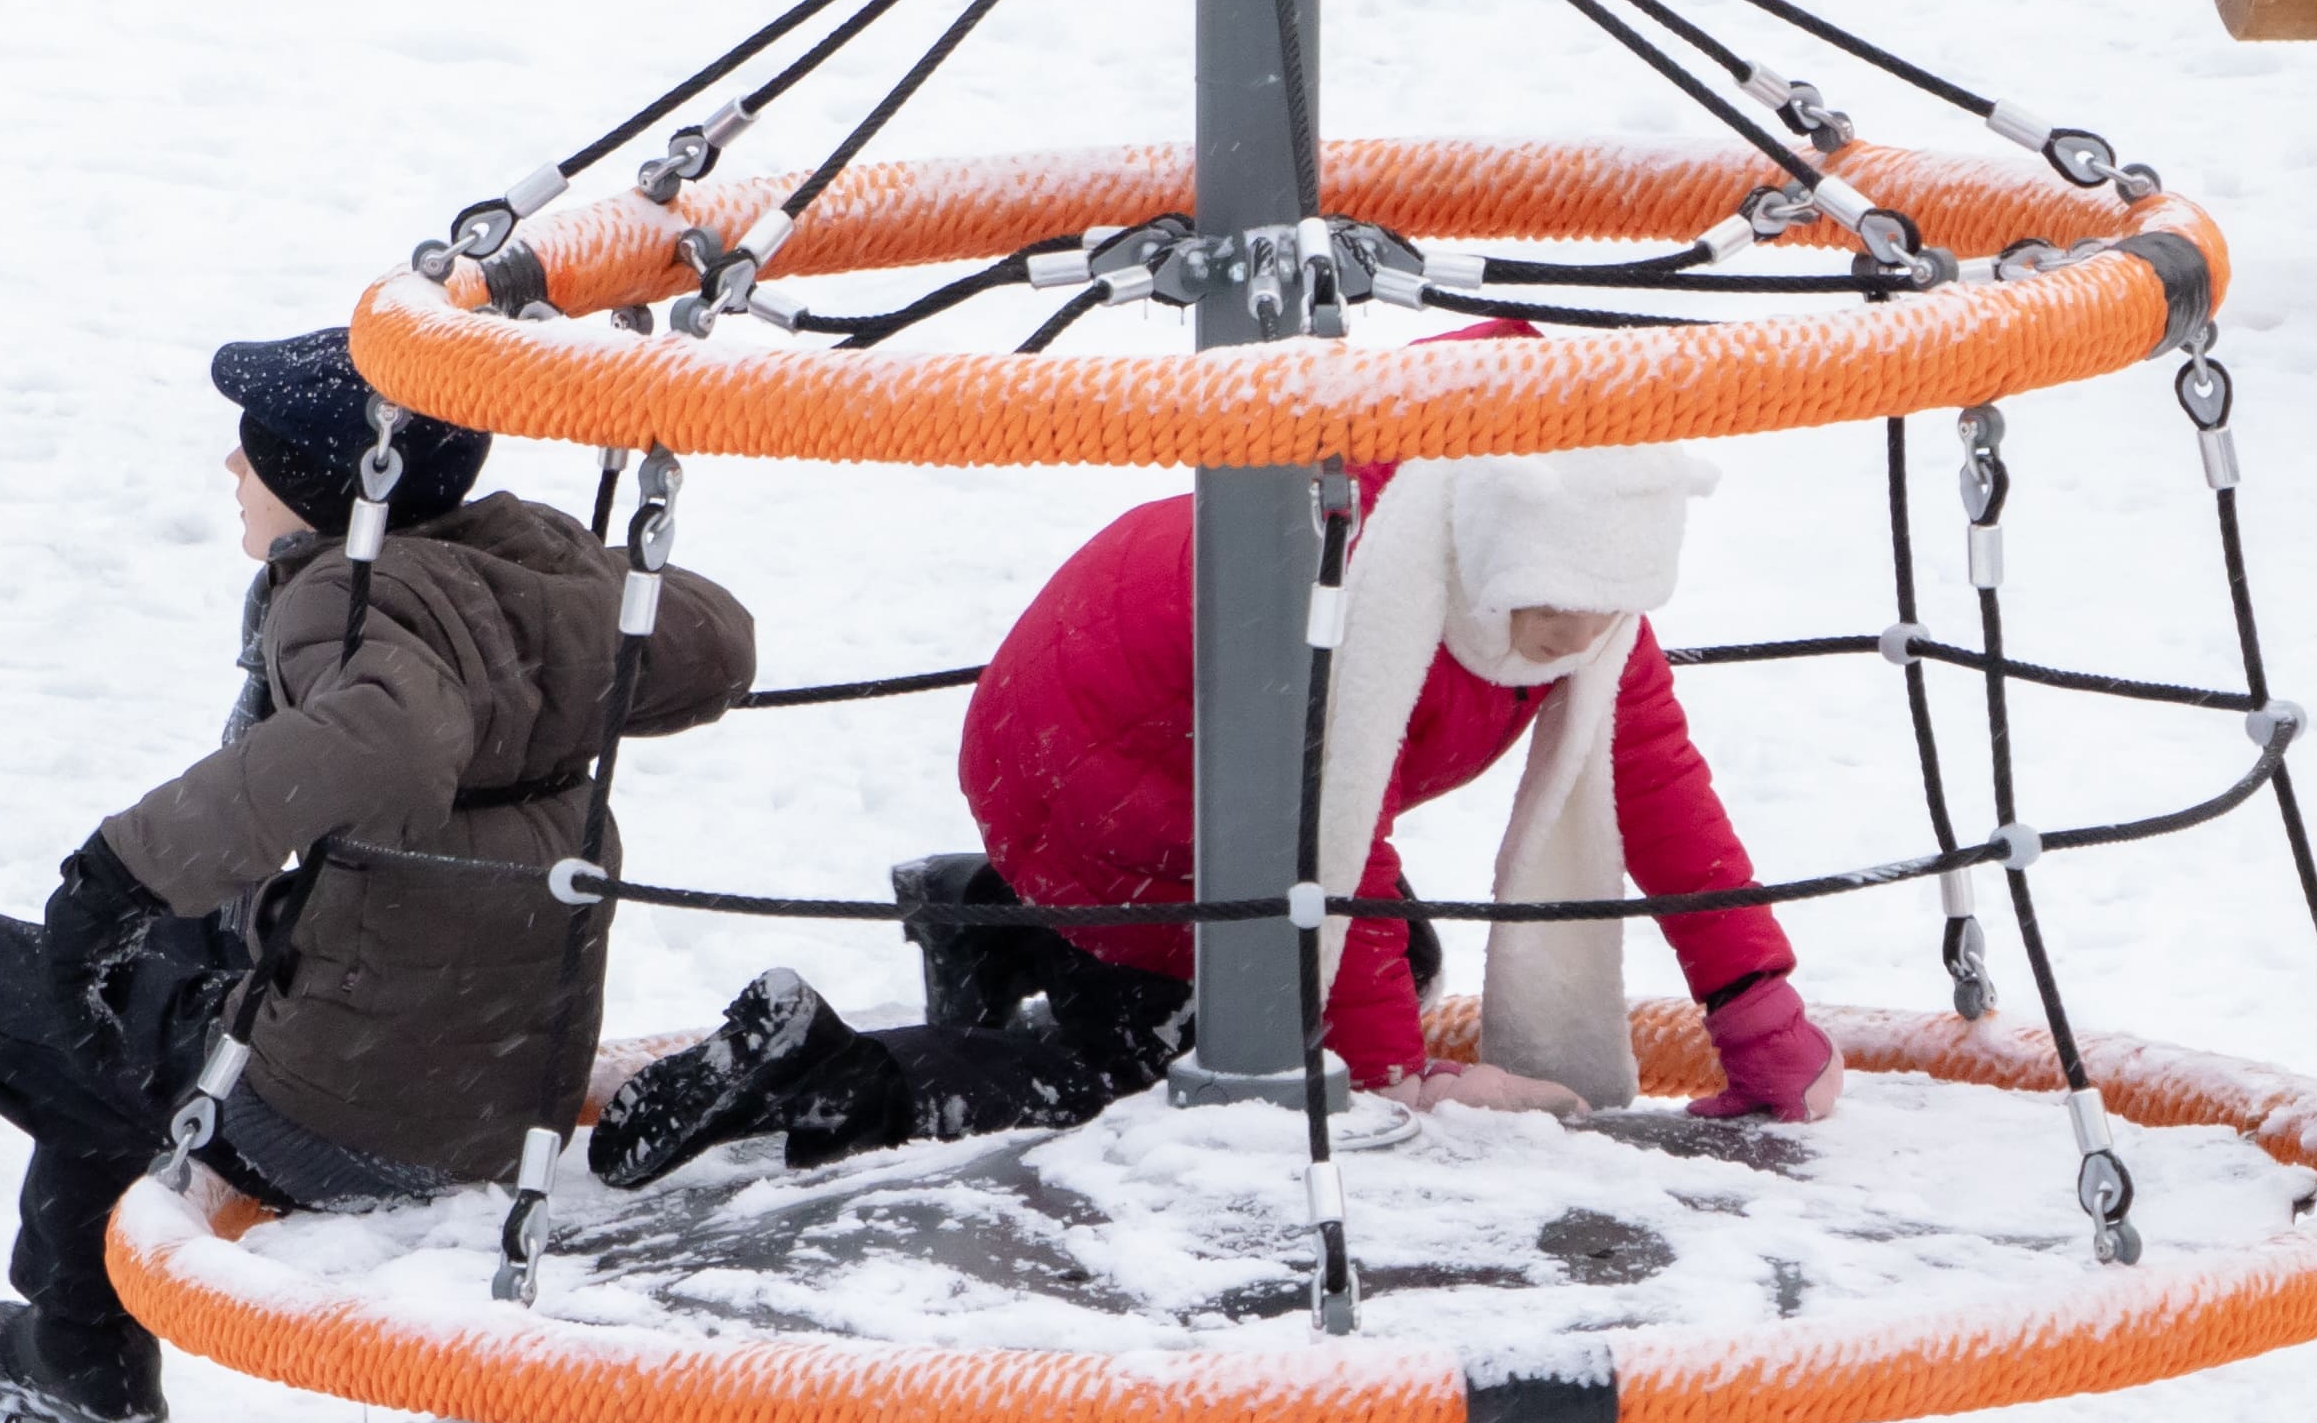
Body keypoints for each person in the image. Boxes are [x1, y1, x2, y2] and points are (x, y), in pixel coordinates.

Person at [0, 329, 764, 1423]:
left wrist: (121, 866)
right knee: (131, 965)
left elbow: (395, 735)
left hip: (328, 1103)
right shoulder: (510, 576)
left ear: (335, 483)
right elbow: (713, 637)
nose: (230, 462)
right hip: (477, 1083)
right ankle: (81, 1357)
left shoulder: (345, 598)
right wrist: (559, 593)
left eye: (256, 449)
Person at [586, 430, 1841, 1186]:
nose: (1572, 640)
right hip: (1109, 770)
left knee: (1392, 950)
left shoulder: (1550, 544)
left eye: (1605, 610)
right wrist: (1392, 1083)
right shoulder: (1362, 577)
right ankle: (831, 1073)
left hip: (1126, 714)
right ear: (1492, 550)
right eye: (1545, 611)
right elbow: (1322, 834)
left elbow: (1654, 779)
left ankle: (998, 920)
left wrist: (1754, 999)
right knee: (1180, 1069)